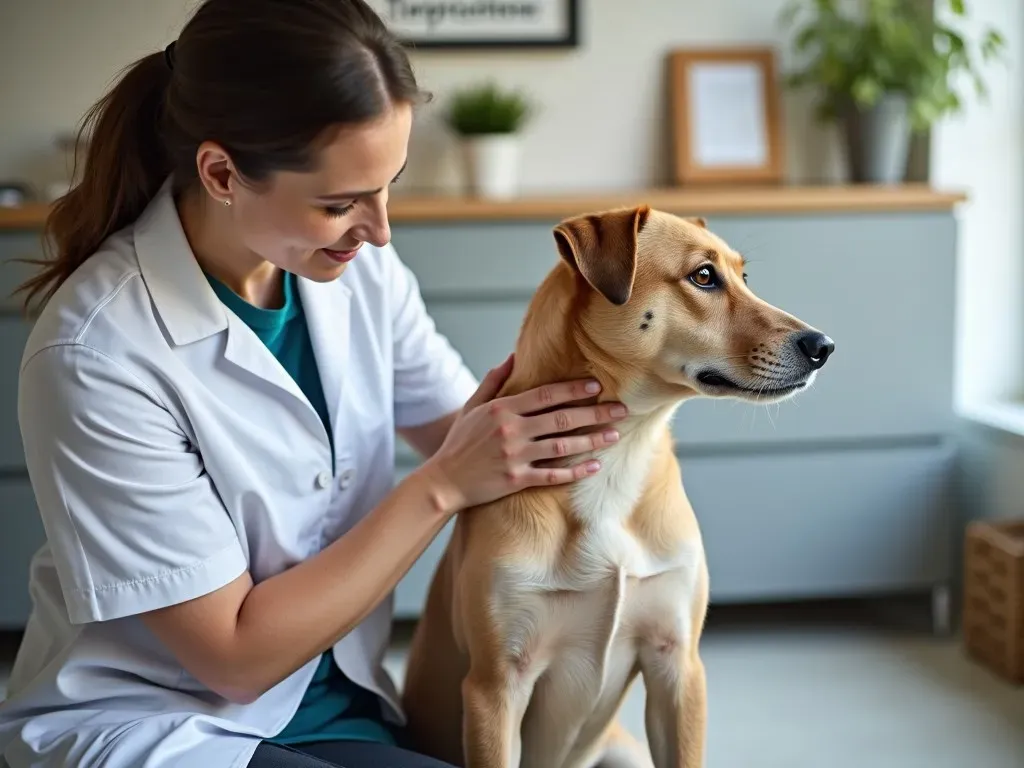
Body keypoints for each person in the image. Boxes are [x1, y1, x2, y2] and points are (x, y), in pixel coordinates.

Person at [0, 1, 630, 767]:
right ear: (222, 173)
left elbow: (479, 439)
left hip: (339, 704)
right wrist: (439, 487)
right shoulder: (96, 352)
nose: (380, 229)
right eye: (339, 203)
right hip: (165, 723)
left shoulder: (353, 271)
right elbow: (233, 657)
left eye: (388, 185)